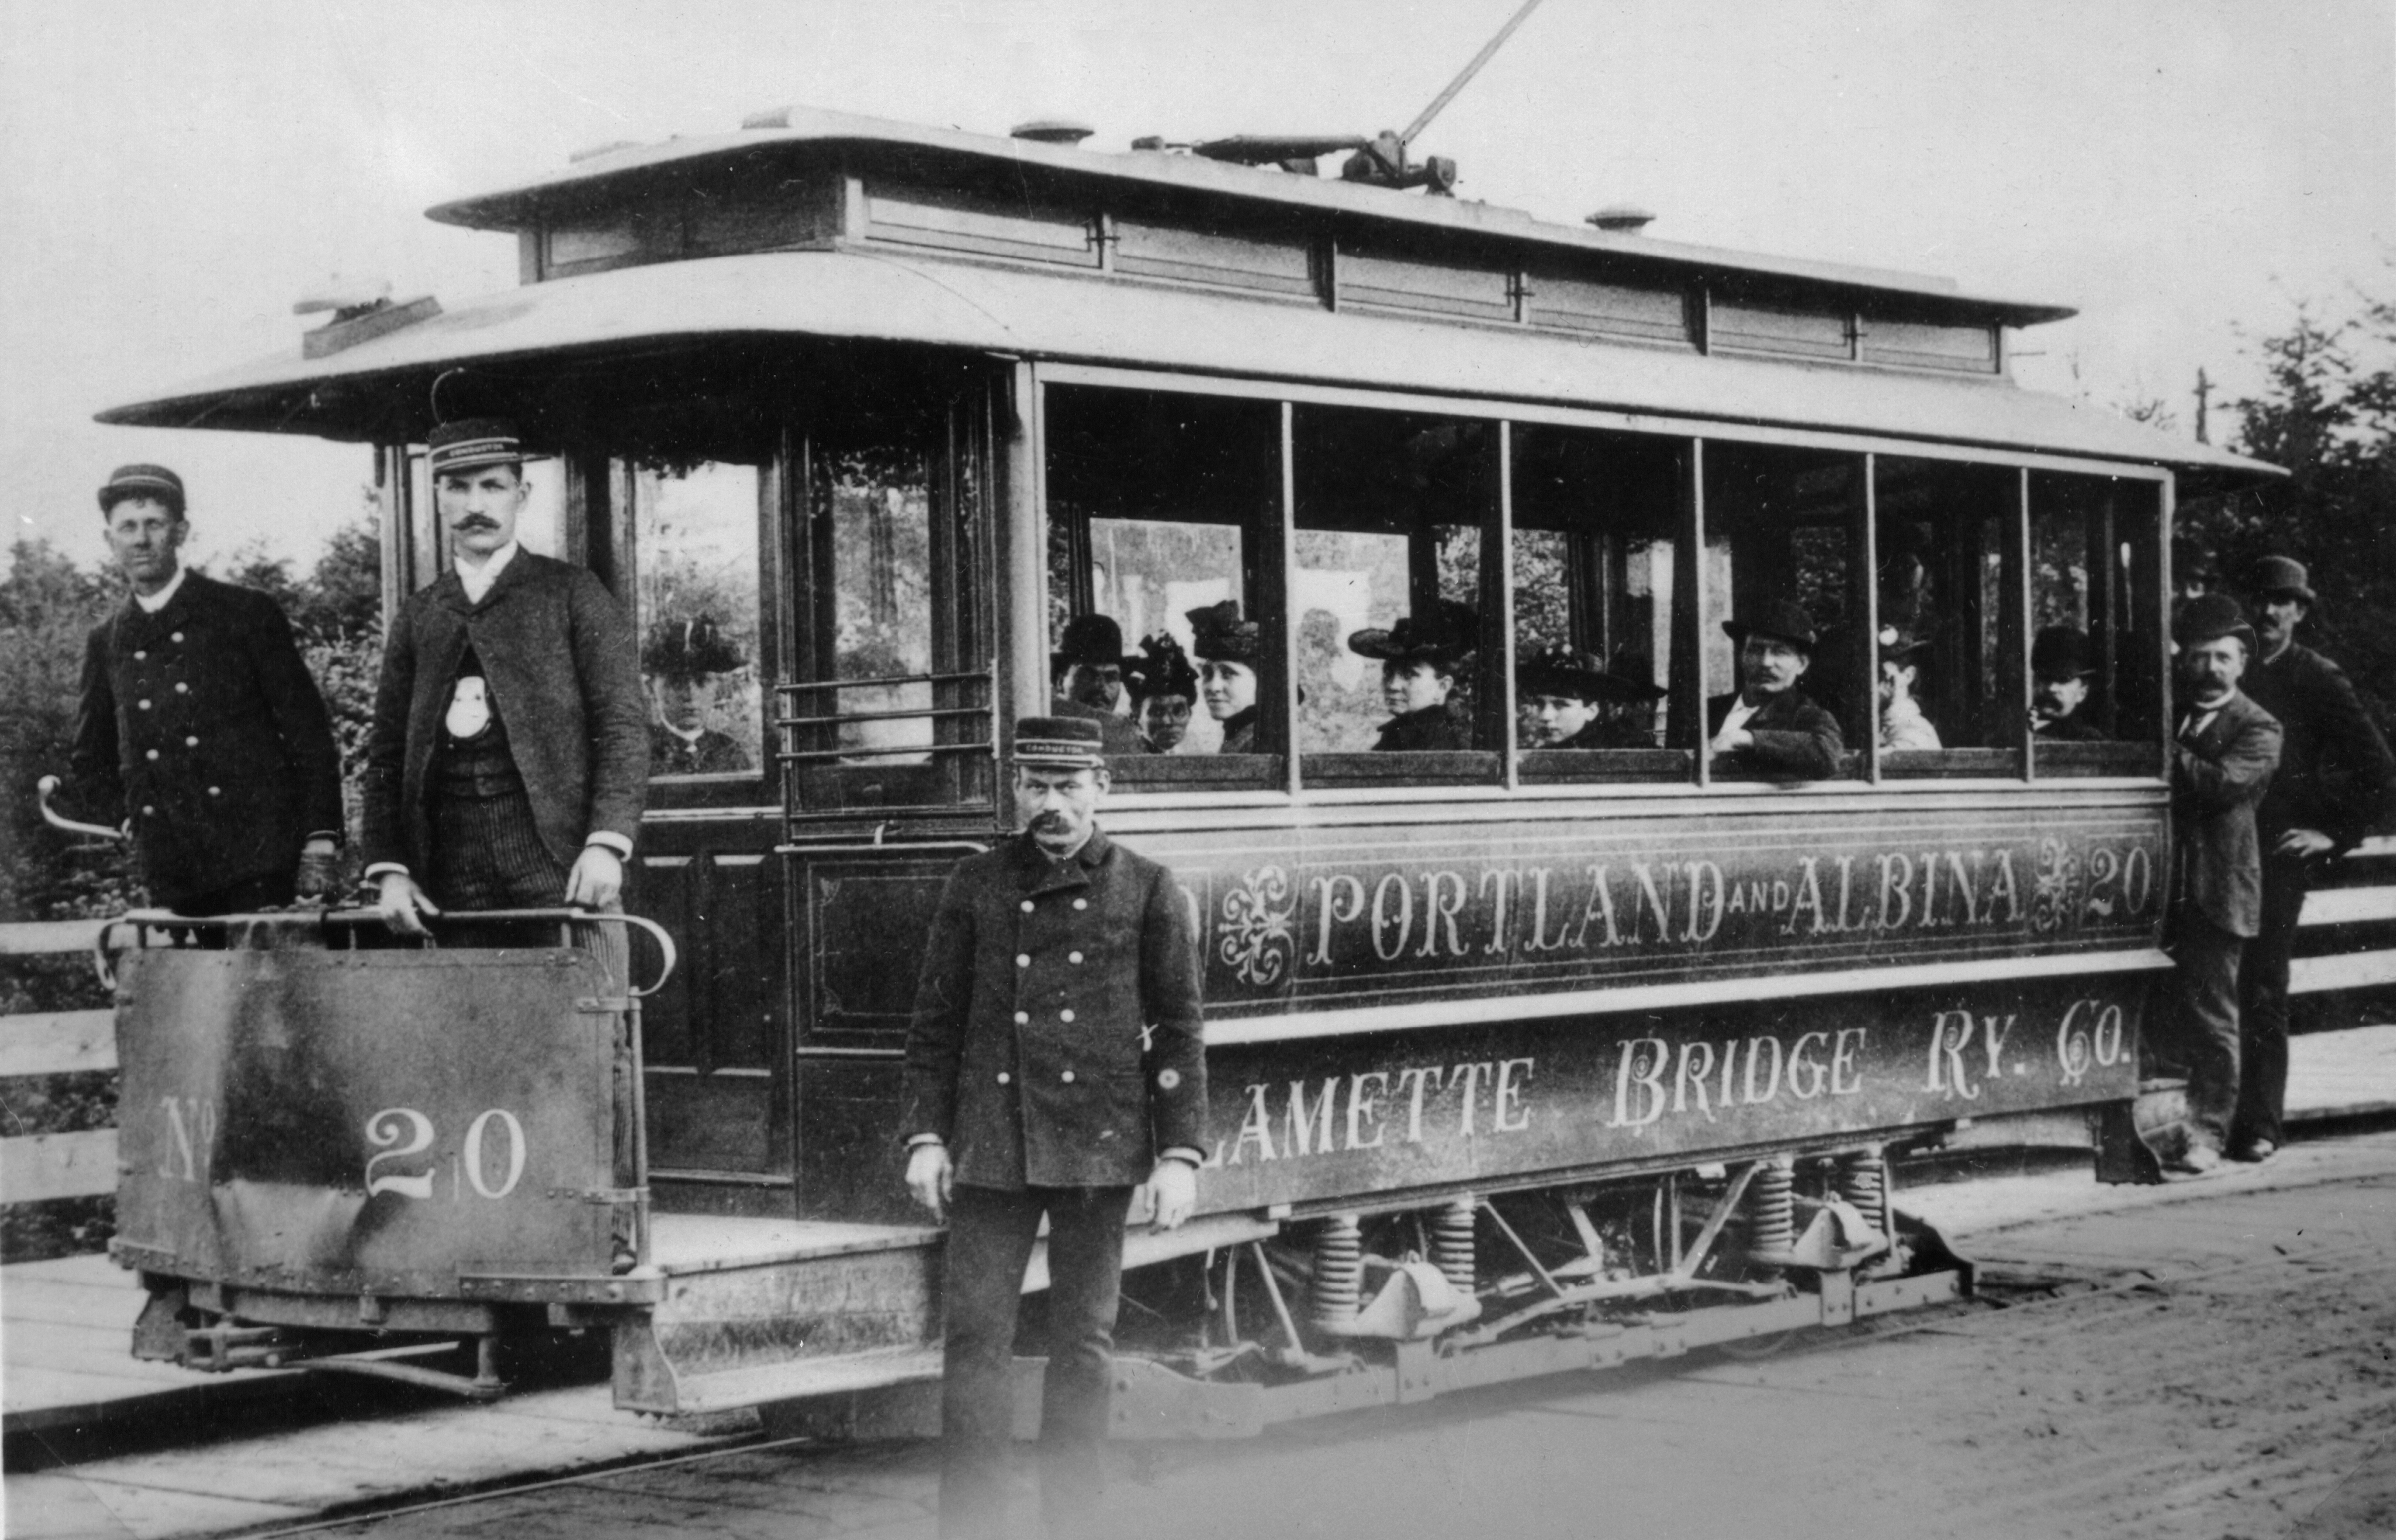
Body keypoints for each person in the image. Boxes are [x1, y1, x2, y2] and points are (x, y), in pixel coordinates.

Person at [901, 715, 1207, 1538]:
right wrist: (927, 1135)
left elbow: (1179, 1032)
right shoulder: (976, 884)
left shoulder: (1146, 886)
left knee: (1084, 1346)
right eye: (1036, 785)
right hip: (994, 1143)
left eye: (1070, 786)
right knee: (974, 1345)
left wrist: (1180, 1154)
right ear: (1017, 789)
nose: (1053, 804)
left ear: (1102, 789)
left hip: (1097, 1146)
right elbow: (937, 1024)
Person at [362, 419, 648, 934]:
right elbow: (386, 752)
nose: (476, 503)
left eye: (492, 485)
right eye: (458, 486)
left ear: (522, 494)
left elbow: (622, 726)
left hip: (558, 862)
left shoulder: (573, 595)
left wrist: (605, 843)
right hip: (446, 873)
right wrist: (391, 870)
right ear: (439, 497)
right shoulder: (419, 615)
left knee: (582, 1004)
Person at [49, 463, 343, 916]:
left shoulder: (244, 613)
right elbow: (91, 758)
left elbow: (309, 735)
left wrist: (320, 838)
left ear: (181, 532)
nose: (141, 540)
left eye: (155, 525)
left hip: (261, 859)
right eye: (127, 527)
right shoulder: (108, 639)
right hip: (174, 869)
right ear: (110, 541)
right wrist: (131, 820)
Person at [2232, 557, 2395, 1162]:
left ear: (2300, 610)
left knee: (2264, 985)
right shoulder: (2229, 670)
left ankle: (2261, 1123)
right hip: (2222, 845)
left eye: (2282, 601)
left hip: (2278, 853)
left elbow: (2380, 770)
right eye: (2260, 599)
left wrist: (2333, 832)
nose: (2268, 611)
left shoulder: (2317, 676)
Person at [2162, 594, 2283, 1176]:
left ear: (2242, 663)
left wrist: (2159, 750)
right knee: (2166, 1013)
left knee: (2214, 1019)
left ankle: (2207, 1135)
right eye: (2200, 656)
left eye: (2223, 658)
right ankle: (2160, 1126)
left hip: (2217, 892)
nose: (2210, 669)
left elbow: (2219, 786)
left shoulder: (2259, 726)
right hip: (2164, 888)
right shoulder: (2176, 712)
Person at [1706, 598, 1845, 777]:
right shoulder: (1708, 710)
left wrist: (1746, 738)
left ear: (1802, 665)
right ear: (1742, 657)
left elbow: (1826, 755)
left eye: (1780, 652)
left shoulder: (1808, 715)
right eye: (1755, 650)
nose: (1765, 663)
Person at [1349, 599, 1477, 751]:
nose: (1392, 685)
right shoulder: (1399, 736)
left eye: (1409, 675)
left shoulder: (1441, 741)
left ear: (1442, 687)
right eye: (1388, 673)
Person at [645, 614, 751, 775]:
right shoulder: (642, 752)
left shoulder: (731, 752)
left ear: (718, 688)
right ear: (652, 689)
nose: (691, 695)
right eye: (677, 682)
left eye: (702, 682)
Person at [1517, 642, 1664, 749]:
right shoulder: (1534, 755)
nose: (1546, 716)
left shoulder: (1623, 755)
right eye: (1539, 704)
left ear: (1591, 711)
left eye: (1561, 704)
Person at [1050, 613, 1146, 757]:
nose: (1100, 687)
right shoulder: (1123, 732)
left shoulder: (1126, 734)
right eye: (1087, 676)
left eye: (1110, 678)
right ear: (1060, 682)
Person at [1189, 599, 1262, 753]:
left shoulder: (1258, 741)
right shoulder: (1240, 736)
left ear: (1260, 682)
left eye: (1229, 674)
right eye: (1208, 674)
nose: (1213, 687)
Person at [1123, 631, 1197, 754]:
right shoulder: (1127, 754)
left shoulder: (1195, 755)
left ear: (1190, 713)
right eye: (1157, 712)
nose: (1168, 722)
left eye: (1178, 712)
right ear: (1136, 714)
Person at [2031, 626, 2107, 741]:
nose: (2051, 688)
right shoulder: (2016, 727)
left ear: (2082, 692)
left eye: (2063, 680)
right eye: (2045, 678)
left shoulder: (2087, 739)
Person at [1876, 627, 1942, 751]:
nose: (1875, 687)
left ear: (1908, 676)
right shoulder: (1884, 727)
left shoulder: (1915, 730)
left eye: (1883, 677)